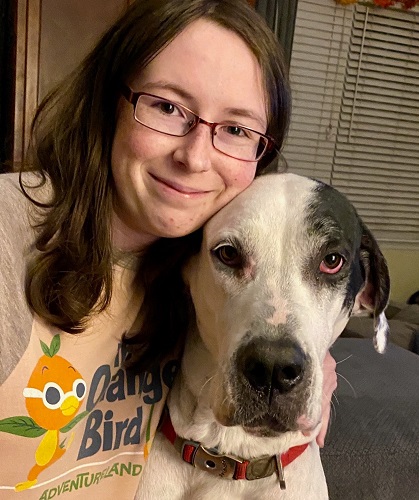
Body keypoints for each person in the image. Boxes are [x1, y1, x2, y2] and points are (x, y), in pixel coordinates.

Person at [0, 0, 337, 498]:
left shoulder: (194, 269)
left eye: (237, 129)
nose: (195, 156)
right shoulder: (11, 233)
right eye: (167, 106)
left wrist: (309, 350)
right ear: (108, 99)